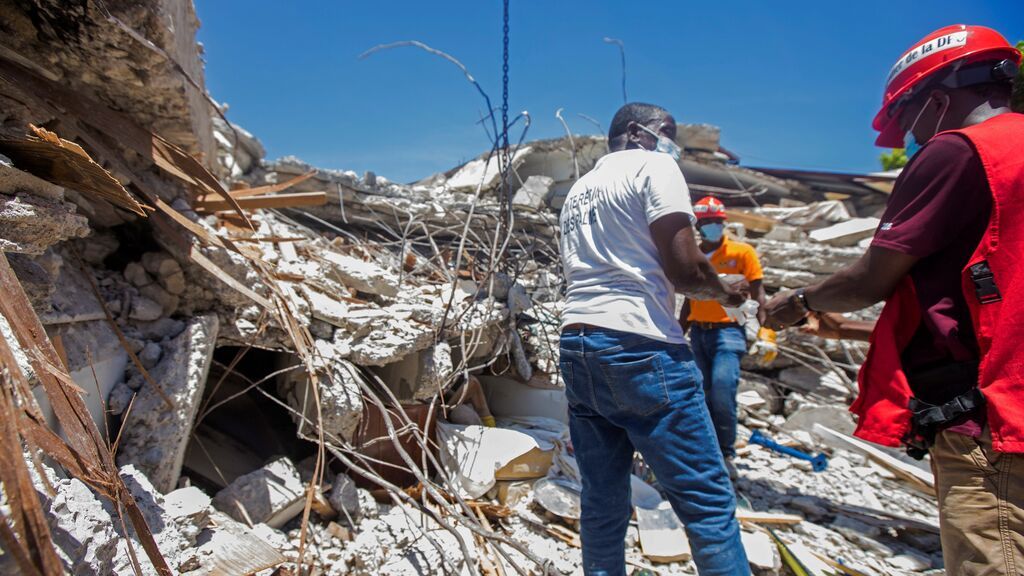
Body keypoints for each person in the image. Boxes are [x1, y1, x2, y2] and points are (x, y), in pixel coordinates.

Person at [764, 25, 1024, 575]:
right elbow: (992, 304)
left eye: (907, 125)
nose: (909, 140)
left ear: (933, 100)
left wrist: (797, 301)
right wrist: (851, 332)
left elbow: (869, 281)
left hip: (992, 431)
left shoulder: (956, 152)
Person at [558, 101, 750, 576]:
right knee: (706, 501)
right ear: (639, 133)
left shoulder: (579, 189)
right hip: (641, 346)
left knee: (602, 499)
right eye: (668, 133)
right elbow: (685, 271)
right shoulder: (654, 165)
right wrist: (726, 293)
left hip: (578, 343)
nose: (674, 145)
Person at [679, 197, 770, 475]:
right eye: (706, 224)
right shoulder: (691, 256)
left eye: (716, 223)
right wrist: (676, 332)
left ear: (723, 223)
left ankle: (726, 452)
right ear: (699, 226)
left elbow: (758, 293)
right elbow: (688, 299)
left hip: (729, 331)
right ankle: (705, 449)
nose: (712, 228)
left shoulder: (742, 253)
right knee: (700, 391)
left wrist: (766, 333)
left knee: (722, 389)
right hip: (699, 333)